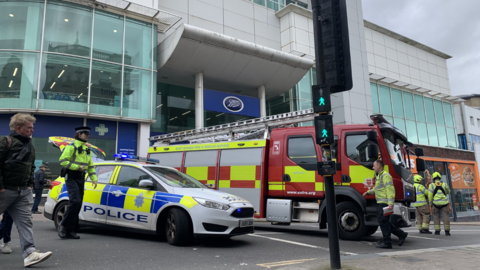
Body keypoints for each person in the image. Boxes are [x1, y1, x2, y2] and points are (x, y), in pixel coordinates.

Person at [0, 113, 53, 267]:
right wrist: (1, 187)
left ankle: (30, 253)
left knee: (26, 223)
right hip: (5, 191)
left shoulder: (30, 146)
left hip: (23, 192)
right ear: (18, 128)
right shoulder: (5, 142)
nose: (32, 130)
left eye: (32, 128)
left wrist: (29, 185)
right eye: (29, 128)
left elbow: (31, 168)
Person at [57, 126, 98, 240]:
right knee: (75, 201)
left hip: (81, 177)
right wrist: (77, 167)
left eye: (88, 134)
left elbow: (90, 165)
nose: (87, 136)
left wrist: (94, 178)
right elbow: (62, 161)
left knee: (78, 203)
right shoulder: (71, 147)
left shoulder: (87, 149)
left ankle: (70, 230)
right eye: (85, 134)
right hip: (71, 176)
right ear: (79, 134)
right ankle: (63, 226)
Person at [363, 159, 408, 249]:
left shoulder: (385, 176)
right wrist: (368, 192)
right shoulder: (379, 176)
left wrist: (390, 203)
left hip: (384, 203)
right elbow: (377, 189)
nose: (373, 168)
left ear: (379, 166)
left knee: (383, 222)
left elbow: (390, 190)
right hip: (380, 202)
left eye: (374, 166)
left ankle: (387, 242)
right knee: (383, 222)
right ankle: (400, 234)